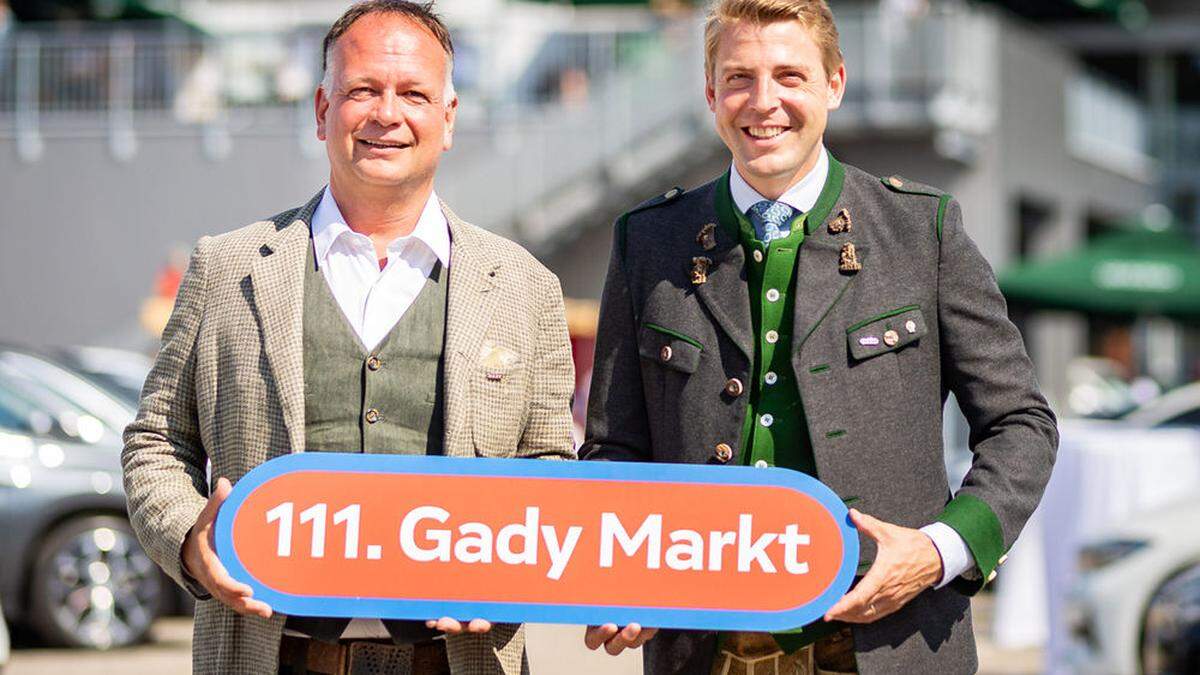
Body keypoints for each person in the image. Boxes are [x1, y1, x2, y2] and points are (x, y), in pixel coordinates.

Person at [579, 0, 1058, 673]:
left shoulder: (921, 230)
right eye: (740, 78)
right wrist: (619, 571)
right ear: (711, 93)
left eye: (790, 76)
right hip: (701, 647)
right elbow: (615, 448)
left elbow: (1021, 423)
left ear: (834, 83)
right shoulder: (647, 241)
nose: (763, 101)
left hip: (894, 643)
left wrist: (942, 548)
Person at [121, 2, 575, 674]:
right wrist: (191, 539)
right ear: (321, 110)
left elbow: (551, 469)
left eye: (414, 94)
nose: (387, 113)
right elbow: (156, 440)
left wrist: (515, 569)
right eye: (363, 90)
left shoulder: (524, 286)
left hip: (455, 661)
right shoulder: (227, 267)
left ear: (447, 119)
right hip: (271, 655)